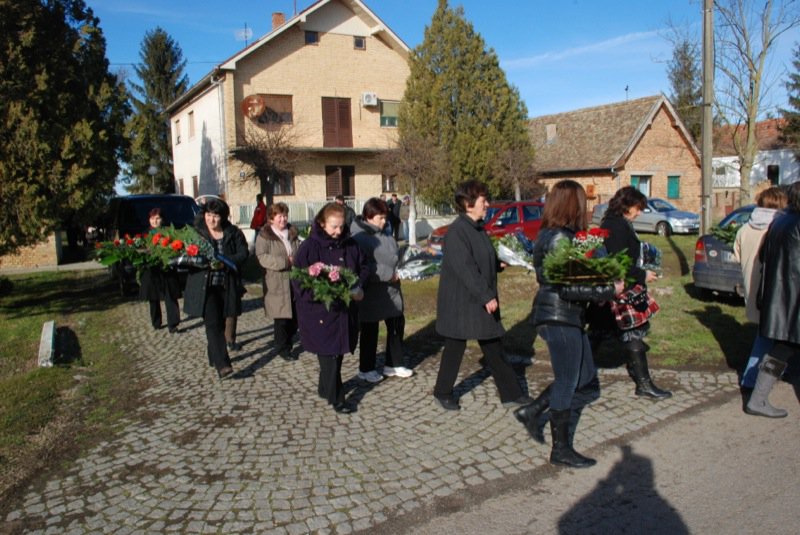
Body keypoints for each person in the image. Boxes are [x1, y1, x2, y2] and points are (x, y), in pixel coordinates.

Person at [517, 180, 623, 468]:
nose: (586, 208)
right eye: (582, 203)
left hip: (566, 315)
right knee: (568, 380)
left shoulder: (558, 235)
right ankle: (560, 449)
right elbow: (565, 287)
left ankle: (533, 410)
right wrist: (608, 291)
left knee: (585, 375)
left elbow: (571, 278)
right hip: (559, 316)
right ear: (573, 205)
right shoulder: (559, 239)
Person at [433, 179, 533, 412]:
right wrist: (486, 296)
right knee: (455, 348)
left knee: (494, 345)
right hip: (461, 302)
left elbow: (480, 259)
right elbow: (466, 269)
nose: (487, 204)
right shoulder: (458, 232)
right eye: (482, 200)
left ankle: (511, 393)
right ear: (468, 204)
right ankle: (442, 392)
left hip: (476, 299)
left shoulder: (477, 228)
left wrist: (497, 264)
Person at [587, 186, 672, 399]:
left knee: (598, 333)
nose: (640, 212)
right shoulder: (615, 225)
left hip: (617, 290)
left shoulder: (618, 223)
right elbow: (619, 261)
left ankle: (578, 374)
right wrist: (643, 275)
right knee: (631, 334)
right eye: (638, 208)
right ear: (627, 206)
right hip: (620, 290)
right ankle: (643, 384)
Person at [293, 202, 369, 414]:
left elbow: (363, 267)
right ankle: (338, 399)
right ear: (322, 223)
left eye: (341, 227)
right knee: (330, 356)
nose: (338, 231)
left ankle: (324, 388)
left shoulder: (350, 245)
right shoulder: (310, 246)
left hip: (344, 312)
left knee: (337, 354)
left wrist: (357, 285)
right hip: (319, 313)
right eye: (333, 227)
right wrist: (320, 293)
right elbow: (298, 279)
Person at [745, 182, 800, 417]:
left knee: (783, 348)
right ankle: (757, 399)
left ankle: (758, 398)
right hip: (793, 297)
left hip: (783, 296)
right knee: (783, 348)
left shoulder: (781, 221)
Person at [183, 198, 249, 380]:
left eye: (216, 216)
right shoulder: (197, 233)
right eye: (209, 215)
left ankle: (214, 354)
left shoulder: (232, 232)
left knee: (221, 322)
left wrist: (227, 262)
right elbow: (186, 255)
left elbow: (243, 253)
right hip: (206, 287)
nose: (211, 220)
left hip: (227, 284)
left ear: (223, 217)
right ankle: (223, 365)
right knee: (212, 324)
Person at [351, 198, 413, 382]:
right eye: (380, 217)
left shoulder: (385, 232)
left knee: (396, 325)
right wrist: (389, 274)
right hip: (373, 292)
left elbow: (392, 253)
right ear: (368, 216)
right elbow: (364, 265)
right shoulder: (359, 237)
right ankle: (366, 368)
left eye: (385, 217)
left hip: (391, 290)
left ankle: (393, 364)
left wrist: (407, 256)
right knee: (370, 330)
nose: (384, 221)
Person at [733, 186, 787, 395]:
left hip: (752, 290)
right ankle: (752, 379)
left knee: (767, 336)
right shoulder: (777, 228)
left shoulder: (745, 228)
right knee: (769, 339)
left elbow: (737, 257)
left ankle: (761, 376)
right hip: (772, 292)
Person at [256, 202, 299, 361]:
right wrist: (284, 262)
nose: (283, 219)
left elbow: (298, 251)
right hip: (276, 280)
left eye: (285, 215)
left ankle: (289, 339)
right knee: (281, 318)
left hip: (293, 279)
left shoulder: (292, 233)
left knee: (295, 315)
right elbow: (261, 257)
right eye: (279, 216)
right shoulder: (265, 235)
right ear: (271, 218)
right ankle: (283, 348)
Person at [139, 208, 181, 333]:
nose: (155, 221)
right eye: (152, 218)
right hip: (152, 269)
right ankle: (156, 322)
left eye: (157, 218)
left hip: (166, 268)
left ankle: (173, 324)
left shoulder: (169, 232)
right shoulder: (145, 234)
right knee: (153, 297)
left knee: (170, 296)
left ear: (162, 219)